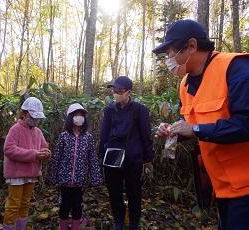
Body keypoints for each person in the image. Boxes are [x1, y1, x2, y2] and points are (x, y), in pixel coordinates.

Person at [152, 19, 249, 230]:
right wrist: (175, 131)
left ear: (192, 46)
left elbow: (246, 122)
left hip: (246, 188)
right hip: (220, 188)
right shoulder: (185, 85)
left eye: (169, 53)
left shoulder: (235, 68)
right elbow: (193, 124)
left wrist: (196, 129)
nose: (168, 60)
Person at [99, 76, 153, 230]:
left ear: (128, 92)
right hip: (113, 156)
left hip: (133, 158)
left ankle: (134, 222)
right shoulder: (109, 109)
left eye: (119, 91)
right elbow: (104, 133)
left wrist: (147, 157)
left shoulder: (139, 109)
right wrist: (102, 154)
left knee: (133, 192)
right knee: (114, 192)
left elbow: (146, 134)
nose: (115, 93)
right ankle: (119, 220)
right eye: (114, 90)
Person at [49, 103, 102, 230]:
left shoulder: (88, 138)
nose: (79, 118)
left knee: (77, 206)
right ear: (70, 118)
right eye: (76, 115)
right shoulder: (64, 137)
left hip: (80, 180)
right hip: (65, 180)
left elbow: (92, 159)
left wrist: (96, 179)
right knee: (64, 206)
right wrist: (53, 177)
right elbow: (57, 157)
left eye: (81, 115)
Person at [3, 97, 51, 230]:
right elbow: (9, 149)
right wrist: (33, 154)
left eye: (37, 117)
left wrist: (46, 153)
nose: (35, 119)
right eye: (32, 116)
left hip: (31, 173)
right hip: (16, 174)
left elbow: (44, 147)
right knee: (14, 204)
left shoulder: (38, 132)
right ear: (23, 113)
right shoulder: (15, 129)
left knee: (25, 203)